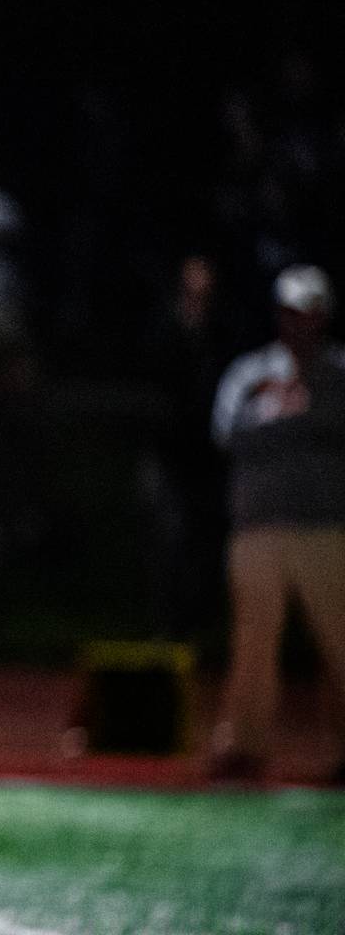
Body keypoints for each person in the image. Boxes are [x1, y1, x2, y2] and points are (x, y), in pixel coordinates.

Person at [208, 264, 345, 781]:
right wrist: (295, 422)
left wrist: (287, 420)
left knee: (340, 638)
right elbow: (226, 434)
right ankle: (244, 744)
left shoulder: (339, 373)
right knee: (253, 640)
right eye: (292, 313)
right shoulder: (250, 371)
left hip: (325, 528)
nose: (300, 324)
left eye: (309, 313)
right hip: (258, 527)